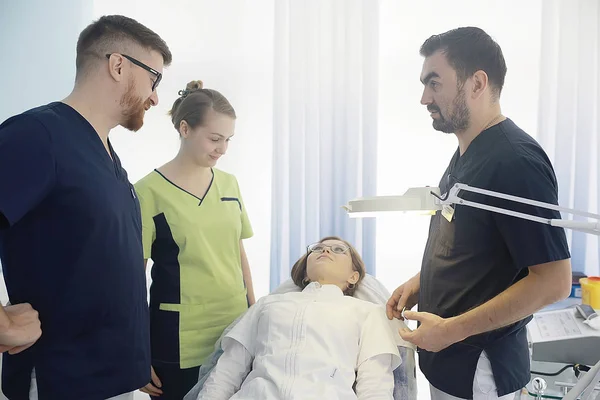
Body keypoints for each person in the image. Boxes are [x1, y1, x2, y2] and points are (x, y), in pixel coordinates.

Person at [386, 27, 572, 400]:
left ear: (477, 83)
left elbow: (553, 281)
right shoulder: (467, 153)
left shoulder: (515, 161)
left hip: (479, 370)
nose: (424, 97)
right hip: (450, 363)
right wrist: (423, 280)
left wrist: (450, 330)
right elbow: (474, 245)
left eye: (434, 83)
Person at [0, 15, 172, 400]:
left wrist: (133, 356)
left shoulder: (110, 159)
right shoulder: (37, 136)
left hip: (116, 378)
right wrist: (3, 324)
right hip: (62, 378)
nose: (156, 96)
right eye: (154, 79)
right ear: (118, 65)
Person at [136, 80, 255, 400]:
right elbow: (132, 276)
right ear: (185, 129)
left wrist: (254, 316)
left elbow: (238, 252)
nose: (223, 149)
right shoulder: (148, 192)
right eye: (215, 138)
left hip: (235, 333)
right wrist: (135, 351)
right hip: (177, 341)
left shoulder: (230, 184)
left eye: (228, 139)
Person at [196, 236, 401, 399]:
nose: (326, 250)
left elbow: (375, 386)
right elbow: (227, 370)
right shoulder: (268, 305)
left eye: (339, 250)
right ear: (304, 274)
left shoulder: (367, 313)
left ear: (353, 277)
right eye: (317, 249)